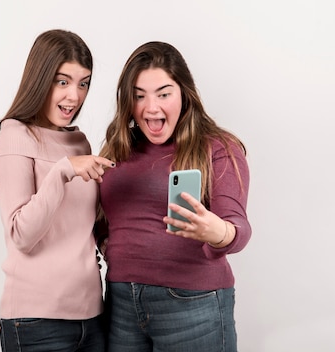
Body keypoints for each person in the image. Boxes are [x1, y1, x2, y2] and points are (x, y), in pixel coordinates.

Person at [96, 41, 251, 352]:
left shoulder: (218, 147)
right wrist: (105, 241)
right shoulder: (118, 148)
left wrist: (215, 231)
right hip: (121, 304)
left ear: (184, 94)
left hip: (193, 307)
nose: (151, 108)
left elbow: (238, 227)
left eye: (163, 94)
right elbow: (105, 217)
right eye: (139, 96)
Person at [0, 29, 115, 352]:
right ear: (40, 78)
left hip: (92, 316)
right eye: (63, 81)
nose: (74, 96)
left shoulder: (78, 141)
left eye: (83, 83)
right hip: (35, 322)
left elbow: (84, 228)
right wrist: (63, 171)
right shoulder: (13, 136)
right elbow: (21, 234)